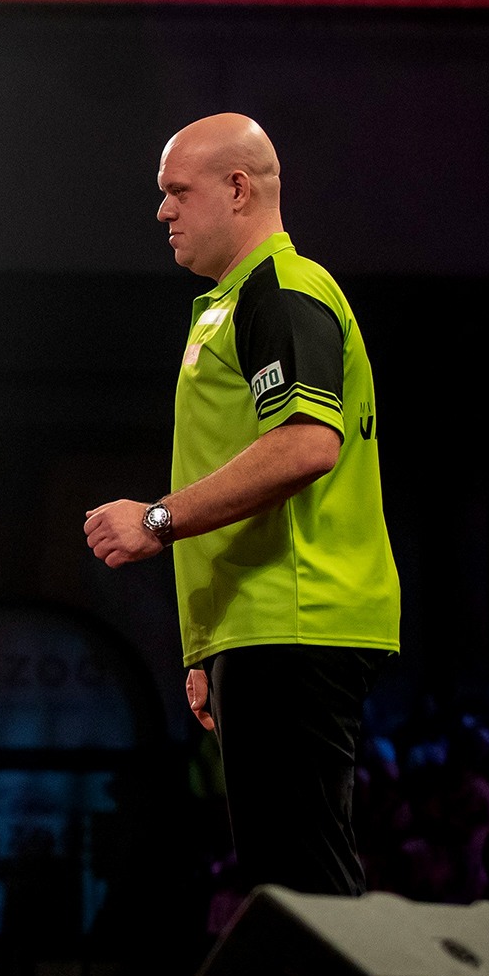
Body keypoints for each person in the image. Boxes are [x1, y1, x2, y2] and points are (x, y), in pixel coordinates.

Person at [85, 113, 400, 897]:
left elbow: (306, 444)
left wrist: (156, 520)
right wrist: (207, 647)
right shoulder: (233, 302)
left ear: (237, 188)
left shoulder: (281, 289)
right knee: (286, 887)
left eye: (177, 191)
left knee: (304, 892)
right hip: (262, 627)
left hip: (294, 620)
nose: (162, 210)